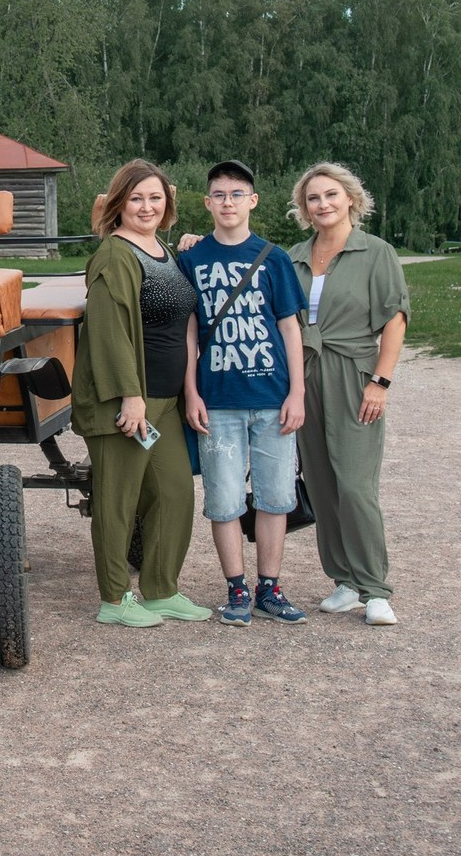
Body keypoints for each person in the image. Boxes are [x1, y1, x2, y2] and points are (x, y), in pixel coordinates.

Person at [70, 159, 209, 627]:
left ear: (167, 202)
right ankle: (114, 599)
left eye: (155, 197)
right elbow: (109, 332)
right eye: (135, 198)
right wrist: (130, 396)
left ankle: (160, 590)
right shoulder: (115, 254)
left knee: (174, 493)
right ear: (118, 204)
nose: (146, 206)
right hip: (127, 401)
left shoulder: (163, 250)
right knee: (117, 500)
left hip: (166, 400)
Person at [179, 160, 308, 627]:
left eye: (237, 194)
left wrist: (298, 392)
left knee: (274, 497)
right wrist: (191, 391)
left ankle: (269, 587)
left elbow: (289, 328)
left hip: (272, 399)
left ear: (252, 201)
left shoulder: (273, 258)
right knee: (225, 499)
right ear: (208, 202)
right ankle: (236, 589)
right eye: (219, 194)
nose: (227, 201)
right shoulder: (192, 260)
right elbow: (190, 331)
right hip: (219, 401)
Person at [288, 162, 409, 625]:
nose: (323, 204)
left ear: (351, 199)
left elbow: (394, 320)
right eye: (313, 198)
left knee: (356, 485)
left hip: (353, 372)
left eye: (331, 195)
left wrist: (380, 381)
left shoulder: (376, 252)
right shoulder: (295, 254)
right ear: (304, 207)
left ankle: (375, 587)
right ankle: (344, 581)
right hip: (305, 374)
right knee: (320, 481)